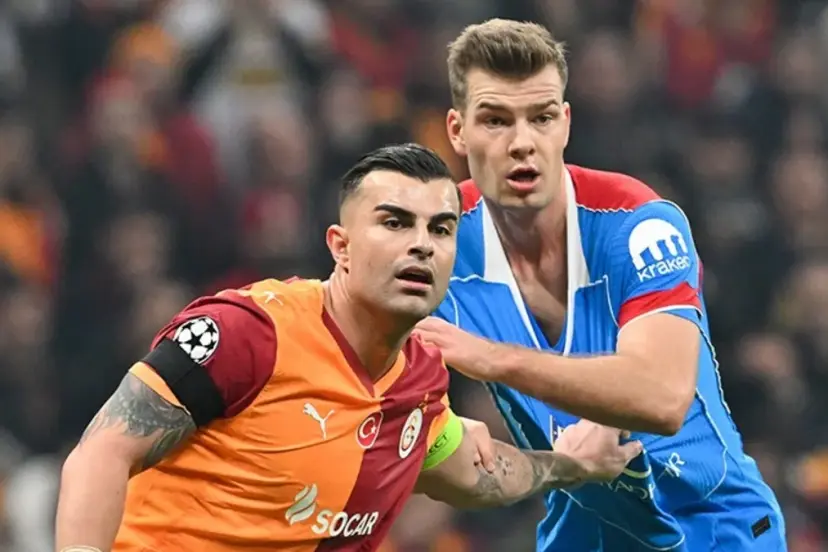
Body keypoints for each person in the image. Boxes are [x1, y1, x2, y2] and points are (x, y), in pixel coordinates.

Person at [55, 143, 642, 552]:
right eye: (395, 223)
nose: (422, 245)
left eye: (440, 229)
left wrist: (571, 465)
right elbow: (102, 453)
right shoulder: (251, 333)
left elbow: (479, 475)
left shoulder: (420, 384)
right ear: (340, 246)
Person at [415, 19, 787, 552]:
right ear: (457, 130)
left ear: (564, 124)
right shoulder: (437, 238)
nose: (523, 143)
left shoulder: (640, 224)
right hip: (582, 527)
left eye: (541, 118)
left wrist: (492, 359)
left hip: (710, 526)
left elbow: (662, 398)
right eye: (496, 120)